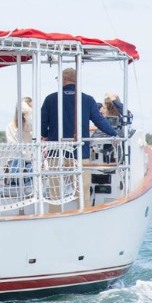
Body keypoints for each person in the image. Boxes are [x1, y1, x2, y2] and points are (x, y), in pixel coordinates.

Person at [40, 69, 118, 209]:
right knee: (82, 193)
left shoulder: (50, 99)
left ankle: (53, 220)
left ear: (64, 80)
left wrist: (46, 135)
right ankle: (84, 220)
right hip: (80, 154)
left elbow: (42, 124)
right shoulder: (87, 99)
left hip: (56, 154)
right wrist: (114, 133)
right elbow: (99, 121)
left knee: (55, 195)